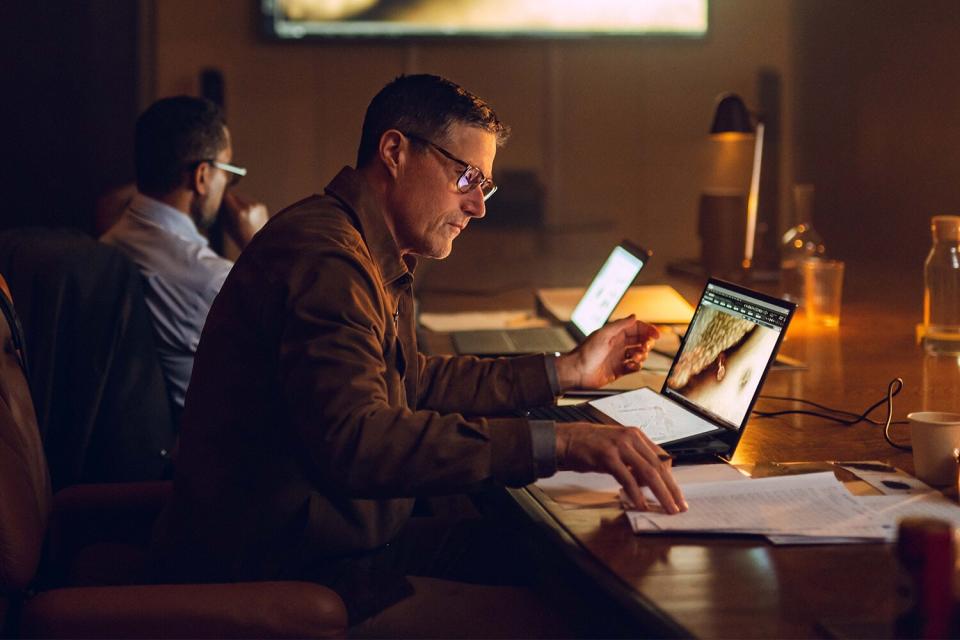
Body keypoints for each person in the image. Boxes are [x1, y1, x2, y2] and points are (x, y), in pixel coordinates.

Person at [151, 75, 686, 636]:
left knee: (556, 563)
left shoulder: (362, 244)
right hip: (290, 568)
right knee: (571, 611)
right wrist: (565, 442)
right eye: (466, 177)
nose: (478, 206)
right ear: (394, 152)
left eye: (485, 185)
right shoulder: (328, 258)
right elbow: (361, 440)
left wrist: (566, 371)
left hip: (332, 539)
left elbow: (413, 382)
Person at [101, 96, 269, 414]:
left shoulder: (108, 242)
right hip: (207, 454)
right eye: (229, 173)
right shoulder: (211, 280)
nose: (228, 188)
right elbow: (292, 358)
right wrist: (262, 244)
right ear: (202, 176)